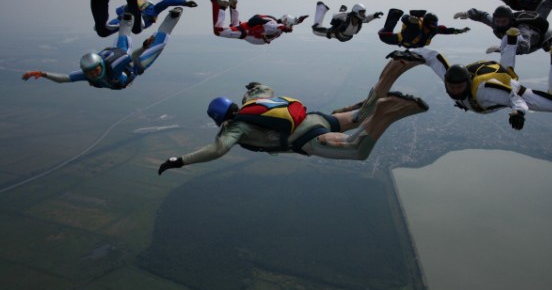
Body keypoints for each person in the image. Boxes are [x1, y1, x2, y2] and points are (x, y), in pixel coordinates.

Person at [157, 54, 429, 174]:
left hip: (307, 138)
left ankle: (387, 110)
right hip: (317, 118)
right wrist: (252, 87)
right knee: (361, 114)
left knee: (357, 150)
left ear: (219, 119)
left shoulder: (235, 128)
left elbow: (217, 150)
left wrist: (180, 161)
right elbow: (264, 87)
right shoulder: (253, 101)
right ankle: (395, 67)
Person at [409, 4, 552, 130]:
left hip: (519, 67)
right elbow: (434, 57)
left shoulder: (485, 90)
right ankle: (511, 40)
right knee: (507, 68)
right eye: (452, 87)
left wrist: (519, 113)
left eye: (458, 87)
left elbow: (515, 98)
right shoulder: (451, 78)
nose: (455, 91)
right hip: (501, 69)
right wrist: (409, 53)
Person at [22, 8, 183, 89]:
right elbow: (64, 79)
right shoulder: (88, 74)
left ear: (100, 64)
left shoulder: (113, 65)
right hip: (129, 65)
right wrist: (43, 74)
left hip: (133, 64)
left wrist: (144, 46)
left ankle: (169, 18)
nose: (94, 74)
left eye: (95, 70)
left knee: (155, 46)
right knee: (131, 45)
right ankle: (128, 20)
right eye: (91, 72)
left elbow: (132, 57)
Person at [453, 1, 552, 57]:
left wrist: (501, 49)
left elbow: (524, 46)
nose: (500, 24)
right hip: (534, 42)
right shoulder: (496, 23)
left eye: (503, 21)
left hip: (548, 39)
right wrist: (467, 13)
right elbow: (483, 15)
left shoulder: (522, 28)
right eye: (498, 21)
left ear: (510, 21)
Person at [90, 0, 196, 37]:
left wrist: (185, 3)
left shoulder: (125, 10)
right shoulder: (153, 9)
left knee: (102, 31)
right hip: (135, 19)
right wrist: (185, 3)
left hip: (123, 18)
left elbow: (118, 11)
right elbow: (167, 1)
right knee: (136, 29)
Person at [211, 0, 308, 45]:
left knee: (234, 25)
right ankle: (221, 7)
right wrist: (284, 28)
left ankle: (233, 7)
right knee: (218, 31)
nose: (291, 27)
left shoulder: (274, 20)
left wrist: (298, 21)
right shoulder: (274, 25)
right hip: (247, 32)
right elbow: (275, 26)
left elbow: (287, 23)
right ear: (286, 24)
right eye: (290, 25)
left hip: (247, 30)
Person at [378, 8, 470, 49]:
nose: (433, 26)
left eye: (435, 24)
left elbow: (448, 31)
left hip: (413, 46)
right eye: (432, 24)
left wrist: (460, 31)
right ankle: (394, 13)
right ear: (426, 23)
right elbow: (404, 18)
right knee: (382, 35)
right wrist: (410, 19)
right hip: (400, 40)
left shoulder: (434, 30)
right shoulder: (416, 25)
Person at [311, 1, 383, 42]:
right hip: (336, 34)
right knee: (315, 31)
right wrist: (346, 13)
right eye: (361, 12)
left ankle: (341, 11)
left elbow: (367, 19)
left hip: (346, 37)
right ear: (356, 12)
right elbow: (335, 16)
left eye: (363, 12)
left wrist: (374, 15)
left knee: (341, 18)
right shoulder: (346, 18)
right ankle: (321, 8)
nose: (363, 14)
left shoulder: (360, 20)